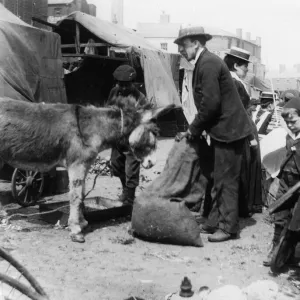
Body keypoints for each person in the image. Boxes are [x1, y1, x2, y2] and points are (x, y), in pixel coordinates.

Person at [174, 26, 253, 242]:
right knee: (218, 178)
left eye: (183, 44)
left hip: (229, 131)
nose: (180, 49)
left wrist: (193, 129)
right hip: (223, 129)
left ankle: (229, 228)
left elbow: (210, 104)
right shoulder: (204, 62)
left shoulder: (207, 63)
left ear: (197, 43)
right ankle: (214, 222)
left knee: (226, 180)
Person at [223, 47, 262, 217]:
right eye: (246, 66)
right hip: (243, 128)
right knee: (244, 166)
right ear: (237, 65)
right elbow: (239, 111)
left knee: (247, 165)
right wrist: (251, 135)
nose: (247, 70)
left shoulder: (235, 81)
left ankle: (245, 205)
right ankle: (243, 207)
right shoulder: (235, 83)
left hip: (244, 126)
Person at [263, 97, 300, 266]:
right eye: (287, 122)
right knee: (281, 214)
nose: (290, 125)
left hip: (298, 184)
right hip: (286, 180)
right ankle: (275, 247)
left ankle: (292, 253)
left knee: (296, 220)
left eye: (293, 121)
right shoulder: (288, 136)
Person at [106, 64, 148, 205]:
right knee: (116, 165)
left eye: (126, 85)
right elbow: (108, 110)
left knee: (131, 169)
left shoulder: (140, 98)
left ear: (133, 83)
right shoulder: (114, 92)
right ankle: (125, 190)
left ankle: (130, 197)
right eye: (120, 85)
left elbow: (147, 119)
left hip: (132, 140)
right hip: (117, 138)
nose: (123, 88)